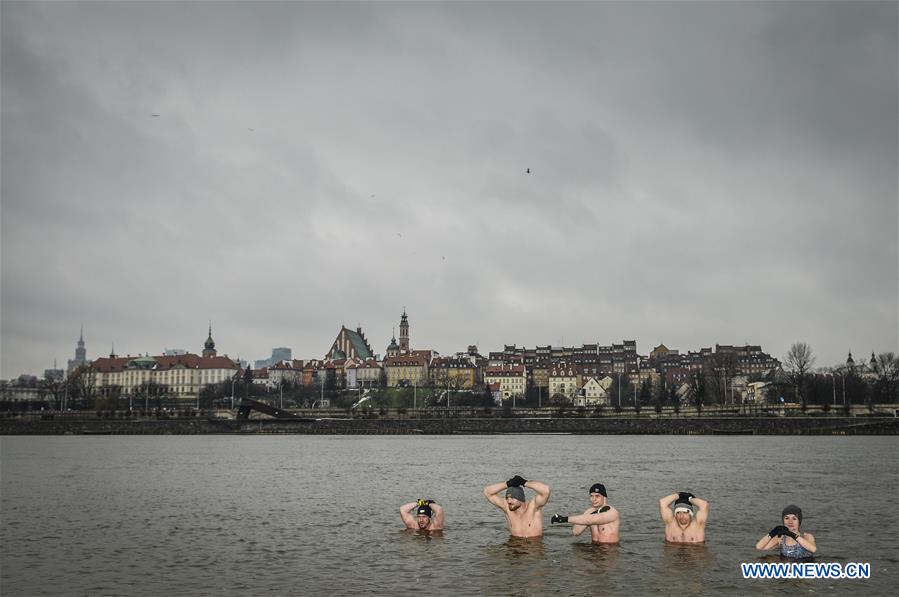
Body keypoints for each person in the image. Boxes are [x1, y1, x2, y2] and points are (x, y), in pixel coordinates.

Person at [549, 482, 620, 544]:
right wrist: (593, 513)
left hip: (609, 549)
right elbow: (576, 532)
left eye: (597, 496)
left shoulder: (612, 512)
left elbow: (592, 520)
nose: (594, 499)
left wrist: (564, 519)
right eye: (591, 496)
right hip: (593, 548)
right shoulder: (590, 511)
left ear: (604, 497)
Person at [483, 475, 551, 538]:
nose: (509, 501)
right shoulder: (507, 508)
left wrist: (524, 482)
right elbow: (487, 492)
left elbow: (546, 490)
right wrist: (508, 483)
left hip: (533, 547)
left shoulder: (534, 507)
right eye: (507, 498)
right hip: (514, 546)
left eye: (512, 498)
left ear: (520, 499)